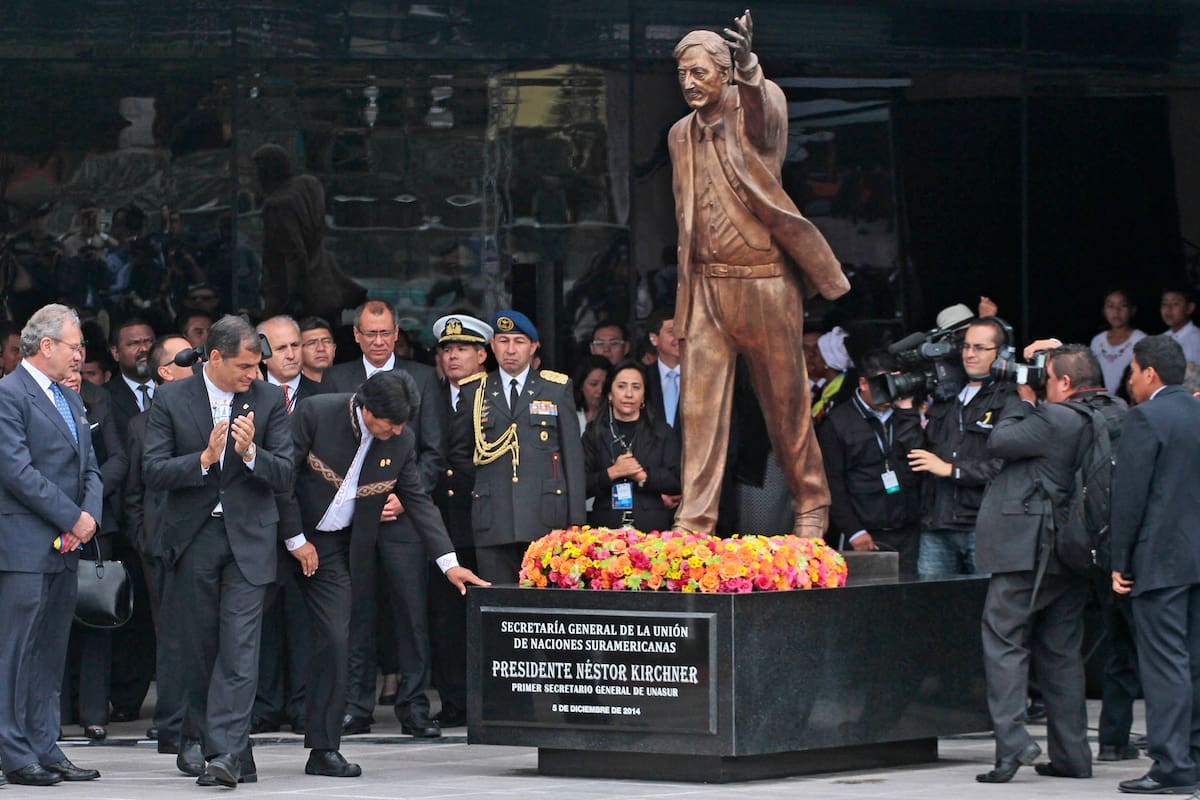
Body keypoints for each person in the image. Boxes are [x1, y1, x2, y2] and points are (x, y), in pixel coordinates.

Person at [668, 14, 850, 538]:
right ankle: (695, 520)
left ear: (724, 74)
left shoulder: (753, 114)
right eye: (683, 74)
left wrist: (748, 64)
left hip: (764, 283)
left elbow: (765, 116)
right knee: (699, 412)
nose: (689, 83)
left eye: (699, 72)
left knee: (786, 404)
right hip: (706, 289)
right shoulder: (680, 134)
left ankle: (811, 505)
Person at [280, 371, 488, 777]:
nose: (396, 431)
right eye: (389, 423)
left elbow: (419, 501)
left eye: (402, 424)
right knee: (246, 634)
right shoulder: (316, 413)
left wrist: (449, 563)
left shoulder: (402, 440)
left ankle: (323, 749)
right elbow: (281, 481)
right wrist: (294, 539)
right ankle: (220, 744)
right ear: (365, 408)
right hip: (281, 537)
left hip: (335, 550)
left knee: (337, 641)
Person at [143, 314, 295, 788]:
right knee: (199, 648)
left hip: (249, 538)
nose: (254, 375)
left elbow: (287, 473)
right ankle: (210, 743)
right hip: (194, 538)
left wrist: (251, 455)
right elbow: (152, 471)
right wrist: (204, 460)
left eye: (257, 366)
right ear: (214, 358)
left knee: (240, 647)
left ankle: (226, 753)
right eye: (245, 366)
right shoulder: (171, 397)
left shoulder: (269, 399)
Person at [973, 344, 1107, 783]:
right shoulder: (1107, 414)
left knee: (1003, 640)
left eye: (1048, 378)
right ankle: (1071, 757)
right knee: (1061, 653)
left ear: (1064, 384)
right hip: (1071, 551)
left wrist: (1021, 398)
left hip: (1029, 550)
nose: (1041, 384)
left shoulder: (1054, 417)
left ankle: (1013, 744)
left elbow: (1000, 439)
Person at [0, 303, 103, 786]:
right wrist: (72, 516)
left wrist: (89, 520)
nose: (81, 354)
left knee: (49, 652)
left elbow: (91, 469)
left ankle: (44, 743)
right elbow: (17, 472)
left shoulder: (72, 399)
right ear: (46, 347)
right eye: (74, 345)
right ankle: (13, 750)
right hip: (24, 546)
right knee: (16, 652)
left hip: (67, 544)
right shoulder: (10, 394)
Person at [1111, 335, 1200, 795]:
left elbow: (1129, 497)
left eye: (1131, 372)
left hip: (1160, 560)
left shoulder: (1146, 417)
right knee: (1194, 663)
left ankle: (1171, 765)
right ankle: (1194, 756)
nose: (1129, 381)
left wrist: (1119, 560)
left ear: (1150, 373)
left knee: (1165, 665)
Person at [450, 309, 586, 582]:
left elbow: (572, 459)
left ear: (534, 346)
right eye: (503, 341)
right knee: (498, 607)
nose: (510, 349)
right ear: (492, 346)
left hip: (546, 519)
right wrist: (484, 487)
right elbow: (459, 455)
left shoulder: (556, 388)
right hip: (493, 519)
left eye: (519, 341)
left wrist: (577, 524)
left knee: (543, 612)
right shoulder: (474, 391)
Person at [252, 315, 331, 736]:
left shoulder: (326, 395)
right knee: (261, 620)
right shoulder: (249, 396)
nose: (292, 354)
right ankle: (264, 705)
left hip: (312, 528)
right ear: (263, 352)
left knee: (305, 621)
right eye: (281, 348)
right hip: (261, 525)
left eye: (295, 346)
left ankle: (302, 704)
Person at [126, 334, 194, 752]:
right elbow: (133, 493)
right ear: (165, 372)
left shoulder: (208, 410)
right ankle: (171, 722)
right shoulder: (140, 424)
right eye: (186, 358)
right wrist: (144, 538)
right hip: (160, 546)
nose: (197, 363)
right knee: (170, 636)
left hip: (201, 540)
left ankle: (199, 719)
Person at [910, 318, 1015, 578]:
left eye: (979, 348)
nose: (969, 354)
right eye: (966, 346)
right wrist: (904, 410)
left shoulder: (1010, 398)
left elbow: (1005, 467)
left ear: (1001, 354)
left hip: (983, 527)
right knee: (932, 610)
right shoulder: (945, 395)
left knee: (987, 610)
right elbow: (915, 454)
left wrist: (951, 470)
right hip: (936, 526)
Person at [429, 313, 492, 728]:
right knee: (445, 619)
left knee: (485, 615)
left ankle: (489, 700)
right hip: (439, 522)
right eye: (448, 350)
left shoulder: (495, 397)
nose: (453, 356)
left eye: (463, 350)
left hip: (482, 521)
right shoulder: (429, 396)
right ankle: (454, 700)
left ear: (482, 355)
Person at [60, 364, 127, 742]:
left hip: (96, 526)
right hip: (49, 522)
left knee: (97, 616)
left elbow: (118, 458)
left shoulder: (100, 402)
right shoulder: (27, 404)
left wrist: (89, 506)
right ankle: (52, 713)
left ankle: (94, 712)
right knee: (49, 620)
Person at [817, 350, 922, 576]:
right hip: (866, 531)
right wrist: (854, 531)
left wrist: (908, 414)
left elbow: (922, 459)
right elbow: (832, 483)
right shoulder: (838, 422)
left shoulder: (904, 413)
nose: (890, 392)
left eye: (895, 383)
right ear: (864, 383)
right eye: (884, 385)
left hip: (910, 527)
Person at [253, 143, 365, 321]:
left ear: (266, 172)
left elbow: (294, 254)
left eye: (259, 171)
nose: (257, 177)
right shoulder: (309, 185)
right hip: (324, 283)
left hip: (294, 292)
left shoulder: (277, 205)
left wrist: (296, 295)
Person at [582, 360, 681, 532]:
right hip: (605, 528)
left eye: (636, 387)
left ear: (643, 395)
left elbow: (677, 482)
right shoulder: (594, 432)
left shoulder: (661, 431)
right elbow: (579, 485)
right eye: (621, 386)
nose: (629, 394)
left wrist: (643, 475)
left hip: (652, 528)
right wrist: (613, 472)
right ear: (610, 394)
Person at [105, 317, 157, 443]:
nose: (144, 348)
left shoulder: (174, 387)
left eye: (149, 341)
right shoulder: (105, 397)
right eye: (134, 343)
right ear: (115, 352)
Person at [1090, 289, 1147, 394]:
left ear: (1132, 309)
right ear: (1104, 310)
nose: (1116, 311)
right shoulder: (1097, 341)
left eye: (1123, 305)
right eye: (1110, 306)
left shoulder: (1140, 339)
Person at [643, 306, 682, 430]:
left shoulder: (704, 379)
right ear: (654, 339)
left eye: (683, 331)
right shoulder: (642, 378)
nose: (679, 337)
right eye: (672, 332)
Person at [1159, 287, 1200, 365]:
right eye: (1164, 304)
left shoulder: (1197, 340)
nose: (1168, 309)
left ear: (1189, 308)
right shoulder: (1161, 339)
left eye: (1175, 304)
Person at [573, 354, 611, 430]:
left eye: (604, 385)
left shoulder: (613, 416)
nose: (600, 390)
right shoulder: (569, 413)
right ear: (581, 385)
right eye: (593, 384)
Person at [299, 316, 337, 383]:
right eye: (311, 343)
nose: (321, 348)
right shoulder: (291, 389)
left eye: (327, 341)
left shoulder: (349, 384)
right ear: (299, 351)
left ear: (334, 349)